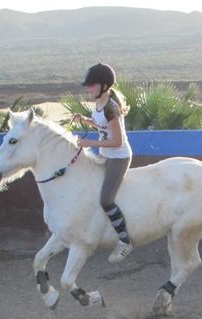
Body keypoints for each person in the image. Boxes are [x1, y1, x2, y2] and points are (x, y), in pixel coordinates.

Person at [73, 63, 133, 263]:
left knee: (105, 200)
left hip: (118, 157)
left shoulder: (110, 108)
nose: (89, 88)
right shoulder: (99, 105)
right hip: (106, 155)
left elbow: (117, 141)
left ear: (104, 86)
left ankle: (125, 241)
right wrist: (85, 121)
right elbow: (101, 126)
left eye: (92, 85)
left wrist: (89, 142)